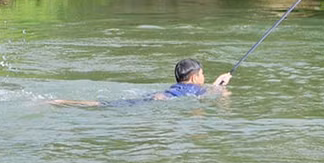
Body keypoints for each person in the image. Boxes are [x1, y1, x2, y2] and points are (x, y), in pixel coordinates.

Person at [48, 58, 232, 107]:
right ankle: (62, 102)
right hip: (161, 100)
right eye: (202, 74)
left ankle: (62, 101)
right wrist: (221, 86)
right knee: (104, 105)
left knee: (104, 104)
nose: (204, 77)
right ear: (194, 78)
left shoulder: (180, 87)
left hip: (155, 97)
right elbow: (221, 96)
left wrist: (216, 84)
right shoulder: (195, 89)